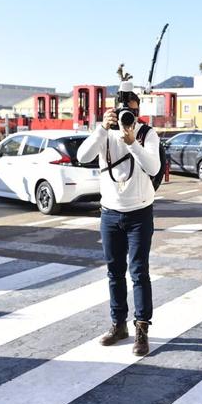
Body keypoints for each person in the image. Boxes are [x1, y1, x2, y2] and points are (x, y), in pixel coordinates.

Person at [77, 81, 161, 356]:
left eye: (133, 114)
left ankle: (141, 329)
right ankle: (118, 325)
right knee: (114, 273)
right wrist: (102, 128)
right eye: (124, 112)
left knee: (139, 272)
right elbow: (82, 156)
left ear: (139, 113)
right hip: (110, 213)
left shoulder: (147, 134)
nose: (128, 118)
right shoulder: (105, 133)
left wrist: (133, 143)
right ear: (114, 111)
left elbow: (153, 166)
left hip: (139, 213)